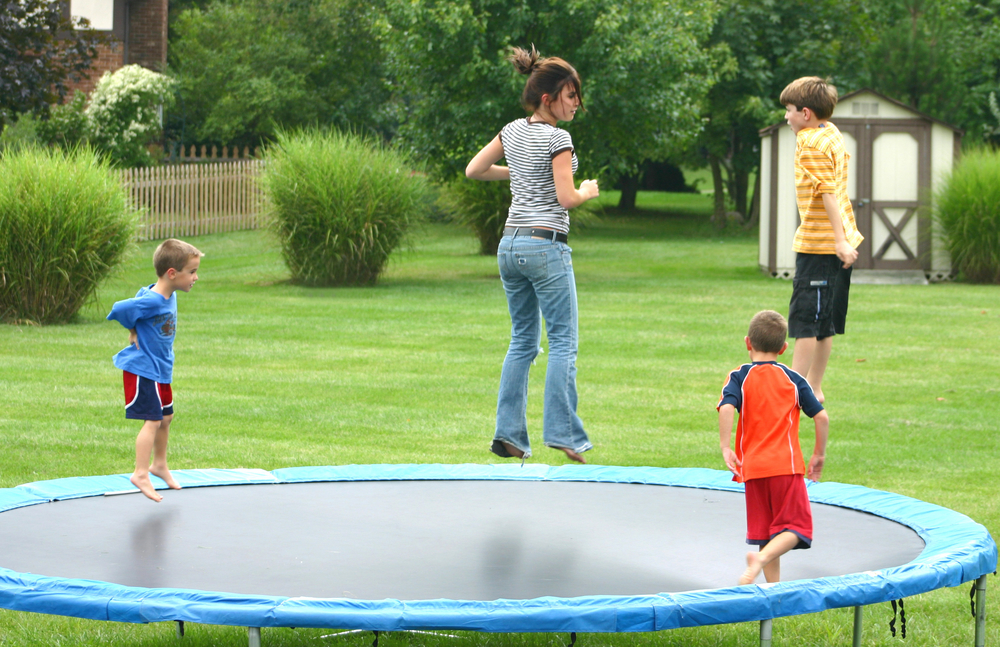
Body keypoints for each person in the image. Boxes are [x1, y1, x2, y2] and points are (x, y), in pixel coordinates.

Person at [466, 45, 599, 464]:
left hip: (509, 246)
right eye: (571, 95)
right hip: (545, 246)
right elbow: (566, 196)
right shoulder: (559, 138)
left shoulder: (512, 130)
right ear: (548, 98)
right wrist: (587, 191)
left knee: (523, 340)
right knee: (563, 341)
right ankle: (564, 433)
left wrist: (520, 170)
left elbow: (475, 170)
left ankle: (508, 435)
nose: (577, 103)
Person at [717, 310, 829, 585]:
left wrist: (725, 446)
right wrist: (819, 454)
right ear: (783, 348)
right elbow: (821, 416)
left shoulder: (738, 376)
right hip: (785, 466)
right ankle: (761, 560)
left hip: (752, 469)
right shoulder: (792, 378)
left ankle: (772, 589)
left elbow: (727, 406)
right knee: (798, 527)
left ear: (747, 343)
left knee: (768, 533)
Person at [780, 77, 864, 403]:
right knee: (824, 320)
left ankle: (795, 390)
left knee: (805, 321)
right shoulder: (830, 132)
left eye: (788, 110)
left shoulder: (809, 143)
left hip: (821, 245)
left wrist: (839, 241)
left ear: (805, 113)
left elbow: (827, 192)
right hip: (838, 242)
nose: (786, 117)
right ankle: (813, 387)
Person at [107, 238, 202, 501]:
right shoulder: (152, 300)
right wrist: (132, 329)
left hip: (161, 368)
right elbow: (120, 308)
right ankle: (140, 472)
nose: (196, 277)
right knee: (154, 419)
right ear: (172, 273)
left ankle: (159, 465)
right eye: (192, 272)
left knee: (167, 417)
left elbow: (139, 295)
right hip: (143, 368)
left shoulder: (165, 292)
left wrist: (136, 326)